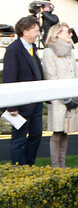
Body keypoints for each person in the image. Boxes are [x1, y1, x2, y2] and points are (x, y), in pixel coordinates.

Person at [2, 16, 44, 166]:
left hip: (36, 102)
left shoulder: (33, 48)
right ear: (25, 31)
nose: (39, 33)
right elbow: (9, 78)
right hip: (21, 104)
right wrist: (12, 105)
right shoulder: (13, 50)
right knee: (19, 139)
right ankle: (19, 168)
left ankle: (29, 166)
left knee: (36, 135)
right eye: (36, 30)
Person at [42, 23, 78, 168]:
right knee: (57, 132)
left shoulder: (70, 52)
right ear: (57, 34)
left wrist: (77, 97)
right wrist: (66, 98)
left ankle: (63, 165)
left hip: (72, 98)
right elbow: (51, 77)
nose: (70, 34)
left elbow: (76, 74)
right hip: (58, 100)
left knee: (66, 132)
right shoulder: (49, 52)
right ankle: (55, 166)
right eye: (67, 32)